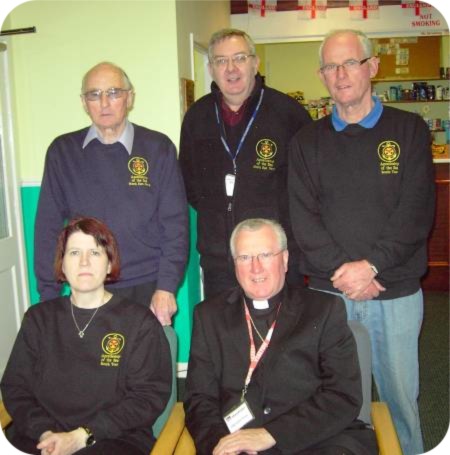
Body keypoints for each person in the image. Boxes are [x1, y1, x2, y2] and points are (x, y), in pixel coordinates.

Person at [288, 30, 435, 455]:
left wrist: (370, 268)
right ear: (321, 76)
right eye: (331, 66)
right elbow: (304, 220)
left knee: (400, 403)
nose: (341, 74)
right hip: (329, 297)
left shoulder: (408, 130)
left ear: (372, 67)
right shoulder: (306, 142)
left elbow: (415, 213)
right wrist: (347, 274)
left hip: (395, 292)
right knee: (335, 403)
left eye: (350, 62)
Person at [184, 218, 377, 455]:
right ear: (234, 264)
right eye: (244, 257)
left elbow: (342, 395)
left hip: (314, 440)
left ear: (284, 260)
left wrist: (272, 434)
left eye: (265, 255)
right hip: (238, 442)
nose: (256, 268)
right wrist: (220, 445)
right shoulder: (209, 316)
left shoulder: (323, 309)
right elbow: (199, 398)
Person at [1, 217, 171, 455]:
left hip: (113, 440)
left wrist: (83, 436)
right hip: (42, 439)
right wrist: (45, 433)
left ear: (110, 264)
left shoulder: (138, 323)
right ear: (62, 265)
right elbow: (15, 387)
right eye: (74, 253)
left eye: (94, 252)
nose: (84, 262)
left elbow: (147, 397)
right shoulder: (38, 319)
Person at [34, 62, 188, 325]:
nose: (104, 102)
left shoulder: (157, 148)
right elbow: (47, 228)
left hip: (147, 286)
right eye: (94, 94)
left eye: (114, 92)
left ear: (129, 97)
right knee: (91, 365)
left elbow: (175, 225)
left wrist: (166, 287)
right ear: (84, 102)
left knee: (148, 363)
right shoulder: (62, 152)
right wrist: (48, 296)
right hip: (86, 288)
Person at [179, 28, 312, 299]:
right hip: (220, 260)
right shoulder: (198, 116)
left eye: (239, 58)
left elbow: (308, 188)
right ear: (211, 68)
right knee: (226, 335)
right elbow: (191, 186)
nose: (231, 68)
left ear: (255, 62)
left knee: (282, 337)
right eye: (221, 61)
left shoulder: (289, 114)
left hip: (274, 259)